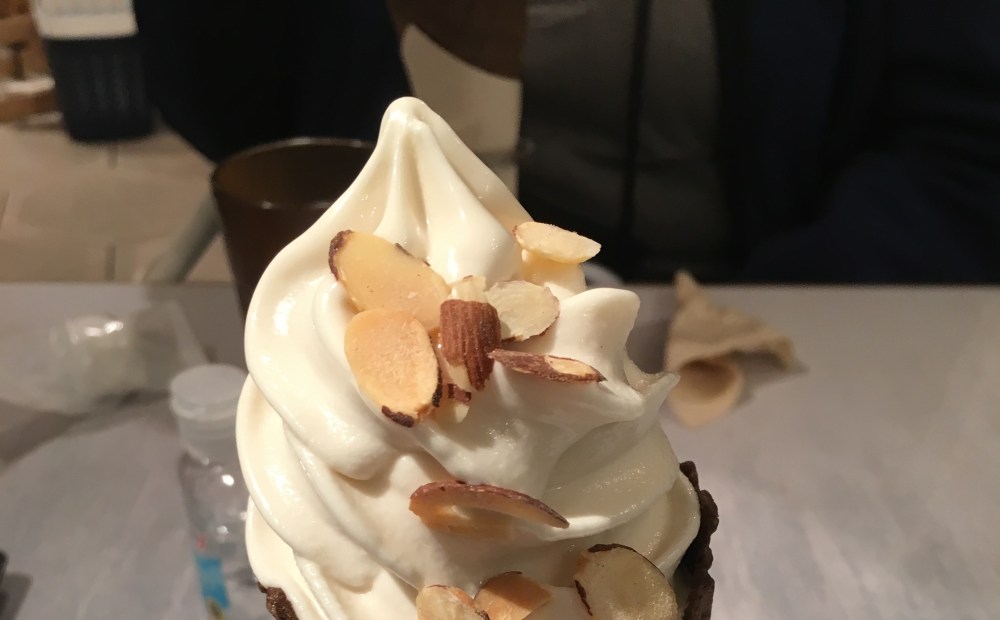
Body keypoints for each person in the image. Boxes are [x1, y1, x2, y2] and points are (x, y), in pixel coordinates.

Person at [134, 0, 1000, 283]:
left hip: (736, 314)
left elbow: (962, 148)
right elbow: (242, 121)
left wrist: (745, 318)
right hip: (399, 332)